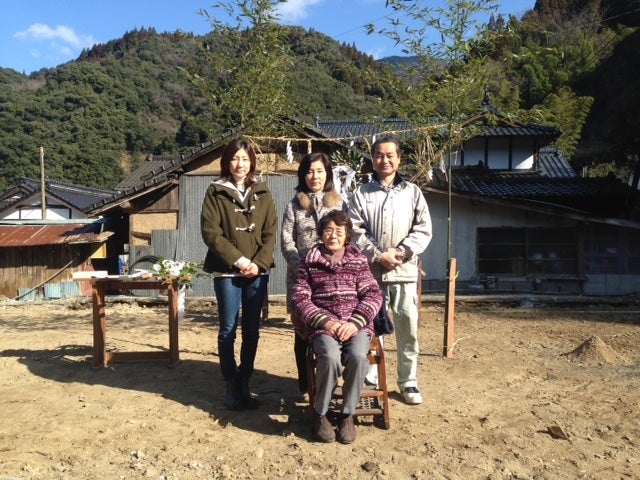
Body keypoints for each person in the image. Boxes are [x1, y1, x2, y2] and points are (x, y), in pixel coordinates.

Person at [349, 135, 432, 405]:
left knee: (408, 329)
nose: (384, 160)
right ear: (372, 160)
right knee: (373, 329)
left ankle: (408, 382)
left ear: (399, 159)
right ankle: (371, 379)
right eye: (379, 156)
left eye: (390, 155)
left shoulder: (412, 192)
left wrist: (400, 253)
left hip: (404, 274)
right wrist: (377, 254)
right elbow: (354, 230)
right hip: (372, 275)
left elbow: (423, 229)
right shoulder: (361, 193)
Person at [292, 210, 382, 444]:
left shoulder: (358, 260)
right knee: (330, 357)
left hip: (356, 324)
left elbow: (372, 294)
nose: (333, 235)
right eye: (329, 230)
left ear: (347, 235)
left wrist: (354, 323)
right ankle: (320, 414)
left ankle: (347, 415)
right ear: (321, 233)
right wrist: (326, 322)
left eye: (339, 231)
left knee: (358, 356)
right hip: (323, 326)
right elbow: (300, 298)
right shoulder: (308, 262)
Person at [200, 138, 277, 410]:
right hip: (226, 271)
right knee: (227, 330)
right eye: (235, 159)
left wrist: (258, 263)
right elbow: (211, 233)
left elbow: (270, 234)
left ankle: (245, 380)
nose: (240, 164)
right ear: (227, 162)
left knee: (253, 330)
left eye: (245, 159)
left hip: (257, 272)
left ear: (251, 162)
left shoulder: (263, 192)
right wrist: (240, 260)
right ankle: (231, 382)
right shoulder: (216, 192)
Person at [280, 152, 345, 401]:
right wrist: (301, 266)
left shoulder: (338, 203)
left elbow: (344, 238)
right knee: (302, 331)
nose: (314, 176)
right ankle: (305, 384)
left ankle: (329, 382)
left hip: (331, 280)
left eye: (319, 171)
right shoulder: (294, 205)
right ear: (302, 175)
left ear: (327, 174)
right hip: (301, 278)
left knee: (331, 329)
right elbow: (287, 240)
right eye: (309, 171)